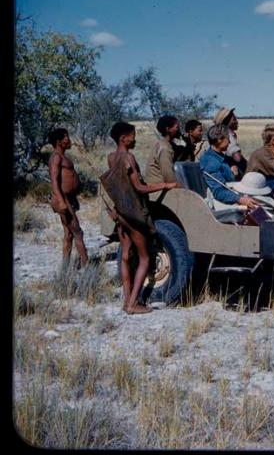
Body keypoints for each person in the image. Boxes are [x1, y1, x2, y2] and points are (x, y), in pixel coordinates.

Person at [101, 122, 179, 315]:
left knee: (126, 256)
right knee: (144, 257)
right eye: (132, 136)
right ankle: (133, 304)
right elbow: (140, 188)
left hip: (121, 213)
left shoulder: (111, 158)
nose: (134, 139)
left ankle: (127, 300)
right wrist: (165, 185)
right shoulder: (129, 158)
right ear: (123, 138)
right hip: (134, 213)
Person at [48, 128, 89, 267]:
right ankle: (86, 266)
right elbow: (54, 180)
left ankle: (65, 267)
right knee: (77, 232)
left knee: (69, 234)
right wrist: (61, 201)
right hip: (62, 199)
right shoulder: (56, 157)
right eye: (66, 137)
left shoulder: (63, 156)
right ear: (59, 142)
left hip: (69, 198)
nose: (69, 140)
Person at [199, 124, 260, 210]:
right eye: (228, 139)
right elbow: (218, 192)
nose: (230, 142)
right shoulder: (210, 161)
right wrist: (240, 199)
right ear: (219, 140)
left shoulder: (222, 157)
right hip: (224, 203)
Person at [144, 115, 182, 206]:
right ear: (168, 129)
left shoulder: (167, 144)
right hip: (158, 191)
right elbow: (169, 177)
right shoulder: (164, 148)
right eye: (177, 127)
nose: (179, 130)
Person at [213, 107, 247, 179]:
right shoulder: (228, 136)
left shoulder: (219, 135)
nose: (237, 121)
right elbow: (237, 158)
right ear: (226, 121)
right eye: (234, 119)